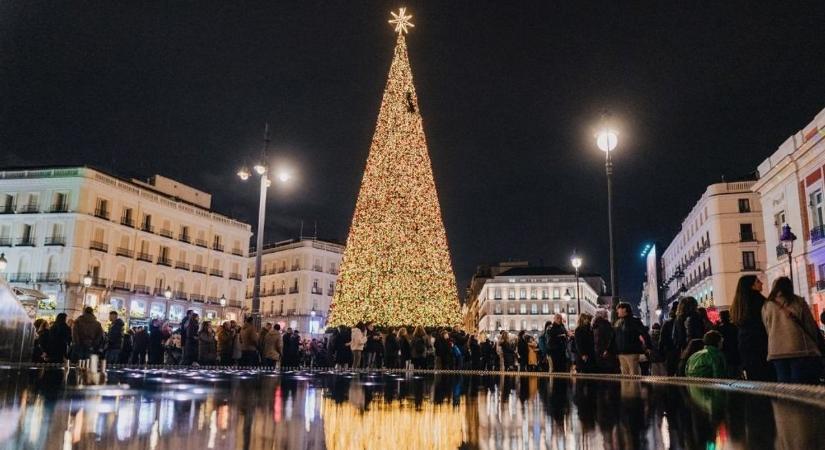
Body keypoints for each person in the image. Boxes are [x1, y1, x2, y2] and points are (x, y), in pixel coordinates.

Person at [762, 276, 823, 384]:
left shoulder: (767, 305)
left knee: (784, 384)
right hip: (798, 349)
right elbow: (810, 325)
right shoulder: (798, 302)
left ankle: (784, 401)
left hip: (776, 351)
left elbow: (768, 328)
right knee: (799, 383)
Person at [730, 275, 775, 381]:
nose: (761, 283)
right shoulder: (761, 302)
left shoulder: (738, 306)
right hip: (762, 344)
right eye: (758, 281)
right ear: (752, 286)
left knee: (754, 378)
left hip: (745, 346)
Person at [613, 302, 651, 375]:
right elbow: (614, 337)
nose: (617, 311)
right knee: (624, 374)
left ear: (624, 309)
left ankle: (634, 386)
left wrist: (648, 346)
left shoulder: (634, 321)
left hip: (632, 352)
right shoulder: (618, 323)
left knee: (633, 373)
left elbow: (644, 333)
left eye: (618, 309)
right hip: (621, 353)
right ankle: (626, 387)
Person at [715, 310, 741, 378]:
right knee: (736, 370)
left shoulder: (719, 328)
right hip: (735, 351)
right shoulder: (734, 327)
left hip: (725, 351)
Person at [592, 309, 619, 373]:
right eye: (606, 314)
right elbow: (609, 338)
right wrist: (607, 349)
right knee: (608, 370)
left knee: (601, 371)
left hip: (598, 351)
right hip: (605, 352)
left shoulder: (595, 325)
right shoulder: (605, 325)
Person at [659, 302, 680, 376]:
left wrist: (661, 353)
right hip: (682, 350)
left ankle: (672, 387)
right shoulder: (685, 320)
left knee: (671, 373)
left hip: (670, 351)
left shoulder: (667, 323)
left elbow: (662, 339)